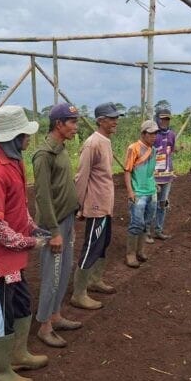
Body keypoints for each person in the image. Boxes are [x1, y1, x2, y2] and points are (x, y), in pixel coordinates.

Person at [0, 105, 50, 381]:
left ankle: (18, 354)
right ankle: (0, 370)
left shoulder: (16, 164)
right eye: (24, 135)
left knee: (20, 305)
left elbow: (17, 210)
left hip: (13, 258)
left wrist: (31, 227)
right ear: (12, 138)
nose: (28, 139)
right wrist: (30, 242)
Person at [32, 103, 84, 348]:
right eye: (72, 122)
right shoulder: (44, 154)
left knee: (64, 271)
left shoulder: (61, 149)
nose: (76, 127)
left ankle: (55, 315)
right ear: (58, 124)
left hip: (66, 219)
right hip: (52, 225)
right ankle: (44, 326)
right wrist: (53, 232)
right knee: (51, 275)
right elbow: (42, 196)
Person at [70, 101, 124, 310]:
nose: (115, 121)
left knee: (103, 243)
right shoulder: (92, 143)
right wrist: (80, 204)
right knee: (92, 246)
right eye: (111, 118)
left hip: (105, 204)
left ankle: (94, 280)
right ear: (100, 121)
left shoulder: (106, 141)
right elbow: (82, 176)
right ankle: (79, 293)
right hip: (95, 205)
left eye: (116, 117)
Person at [124, 120, 159, 268]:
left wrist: (154, 184)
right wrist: (130, 191)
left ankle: (140, 250)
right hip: (138, 192)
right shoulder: (134, 148)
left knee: (147, 222)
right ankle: (130, 254)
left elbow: (150, 171)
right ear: (143, 134)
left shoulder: (154, 150)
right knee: (136, 223)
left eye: (155, 133)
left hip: (151, 191)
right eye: (151, 134)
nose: (154, 136)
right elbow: (127, 171)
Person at [149, 105, 176, 242]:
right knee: (151, 204)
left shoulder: (171, 134)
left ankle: (158, 230)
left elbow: (171, 151)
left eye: (167, 119)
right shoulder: (153, 135)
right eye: (162, 119)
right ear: (157, 119)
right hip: (153, 176)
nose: (165, 121)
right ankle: (147, 232)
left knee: (162, 204)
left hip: (167, 175)